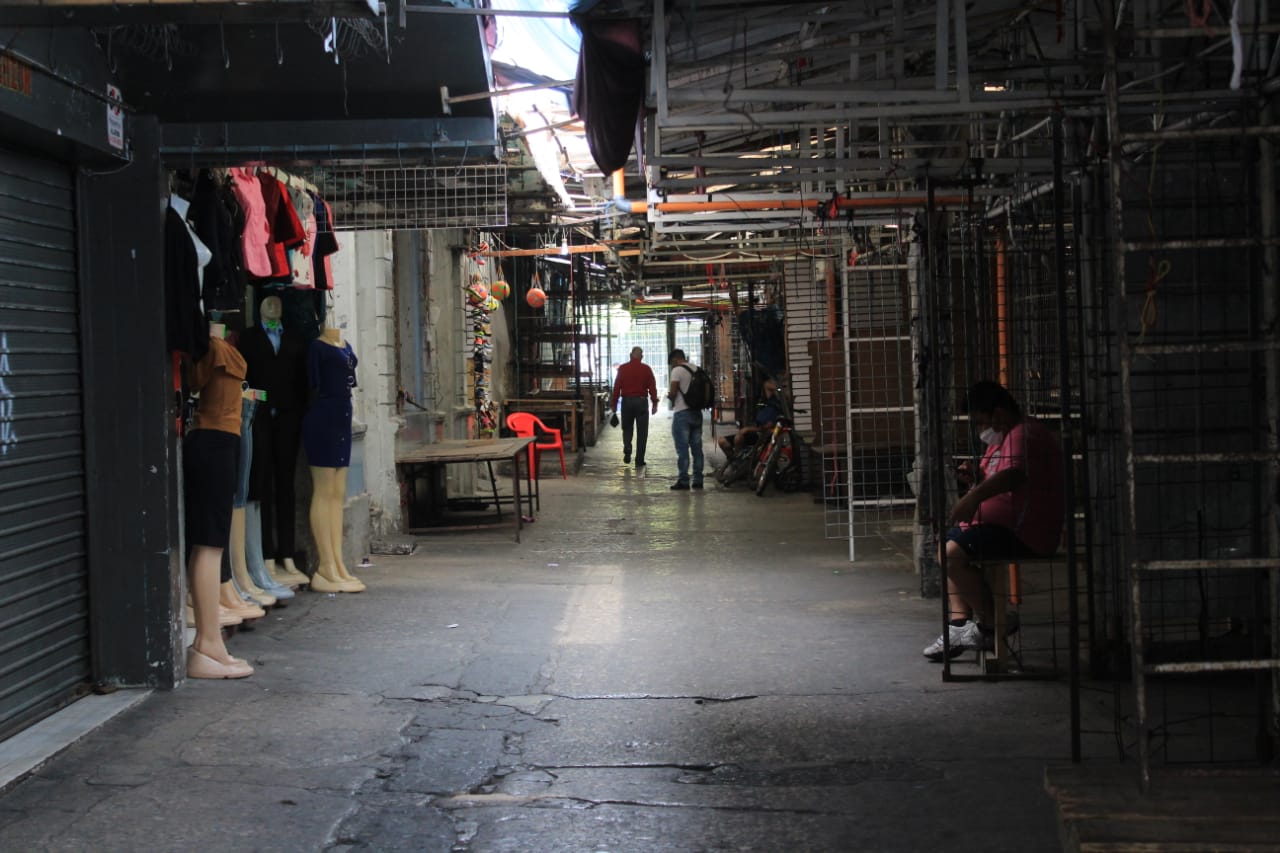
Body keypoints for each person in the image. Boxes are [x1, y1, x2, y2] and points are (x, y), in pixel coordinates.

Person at [924, 381, 1065, 661]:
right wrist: (975, 476)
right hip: (1000, 527)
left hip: (1023, 533)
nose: (979, 430)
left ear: (998, 415)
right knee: (949, 543)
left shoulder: (1025, 435)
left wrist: (973, 498)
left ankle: (991, 624)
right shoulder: (1003, 439)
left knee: (951, 555)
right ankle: (959, 625)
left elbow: (1013, 475)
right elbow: (995, 474)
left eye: (980, 422)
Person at [302, 327, 366, 593]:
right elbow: (312, 384)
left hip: (342, 415)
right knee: (324, 490)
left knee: (338, 492)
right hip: (323, 416)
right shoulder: (317, 347)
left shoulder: (345, 344)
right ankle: (325, 564)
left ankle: (338, 563)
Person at [610, 346, 659, 470]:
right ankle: (639, 460)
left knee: (627, 428)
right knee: (642, 432)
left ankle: (627, 446)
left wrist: (614, 404)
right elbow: (652, 386)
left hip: (626, 402)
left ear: (630, 355)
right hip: (641, 402)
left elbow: (616, 387)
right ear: (641, 357)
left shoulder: (623, 369)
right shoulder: (646, 369)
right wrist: (654, 403)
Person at [717, 377, 784, 459]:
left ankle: (739, 463)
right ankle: (735, 462)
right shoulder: (772, 400)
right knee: (722, 441)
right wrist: (779, 388)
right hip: (754, 429)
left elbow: (767, 428)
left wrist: (748, 429)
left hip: (760, 434)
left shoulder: (781, 409)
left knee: (738, 438)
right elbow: (766, 384)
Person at [667, 348, 705, 491]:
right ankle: (698, 480)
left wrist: (669, 396)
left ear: (675, 359)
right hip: (697, 413)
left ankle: (683, 480)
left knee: (682, 449)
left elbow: (673, 392)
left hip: (682, 413)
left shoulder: (677, 371)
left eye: (672, 363)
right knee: (697, 448)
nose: (672, 366)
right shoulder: (697, 369)